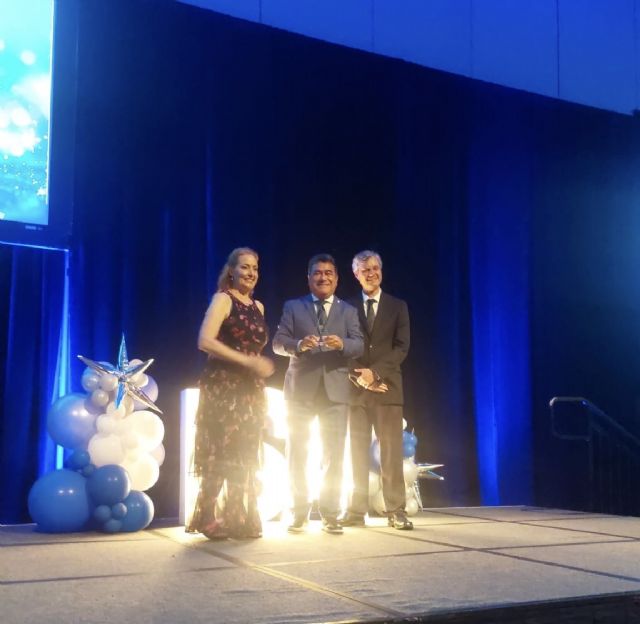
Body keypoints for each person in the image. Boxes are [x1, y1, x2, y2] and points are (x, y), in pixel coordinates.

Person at [186, 247, 274, 540]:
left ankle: (237, 516)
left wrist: (255, 367)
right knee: (221, 452)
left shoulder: (258, 307)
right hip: (223, 386)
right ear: (232, 271)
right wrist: (246, 361)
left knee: (245, 452)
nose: (251, 273)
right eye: (245, 267)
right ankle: (207, 515)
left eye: (255, 268)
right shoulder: (223, 299)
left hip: (250, 390)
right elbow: (205, 341)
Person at [272, 253, 364, 534]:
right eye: (318, 273)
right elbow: (278, 343)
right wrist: (299, 345)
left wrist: (342, 344)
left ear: (336, 279)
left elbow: (359, 345)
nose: (323, 277)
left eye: (328, 273)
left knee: (333, 456)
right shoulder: (293, 306)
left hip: (335, 393)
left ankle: (330, 513)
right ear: (309, 278)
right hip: (300, 391)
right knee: (297, 453)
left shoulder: (348, 311)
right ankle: (299, 511)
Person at [340, 250, 413, 530]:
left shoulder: (398, 306)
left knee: (391, 453)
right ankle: (356, 510)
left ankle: (396, 509)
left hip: (387, 388)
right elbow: (343, 347)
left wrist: (376, 373)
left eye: (374, 268)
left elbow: (401, 348)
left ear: (381, 270)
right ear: (356, 275)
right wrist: (361, 376)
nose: (371, 274)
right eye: (365, 270)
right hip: (356, 389)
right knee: (357, 452)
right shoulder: (346, 307)